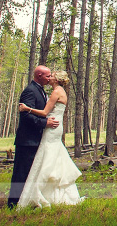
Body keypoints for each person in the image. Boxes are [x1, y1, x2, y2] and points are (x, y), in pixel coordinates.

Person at [16, 70, 83, 208]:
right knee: (53, 156)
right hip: (54, 128)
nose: (50, 78)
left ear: (57, 80)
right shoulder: (59, 91)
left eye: (51, 76)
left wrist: (27, 108)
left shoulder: (56, 91)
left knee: (48, 156)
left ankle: (42, 192)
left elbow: (45, 112)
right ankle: (53, 193)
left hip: (52, 128)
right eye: (49, 75)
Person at [7, 65, 60, 209]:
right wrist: (45, 123)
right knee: (21, 173)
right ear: (39, 76)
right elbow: (25, 116)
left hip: (36, 139)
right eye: (47, 76)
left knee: (31, 173)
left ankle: (26, 201)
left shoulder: (40, 90)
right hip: (27, 140)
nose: (49, 79)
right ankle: (13, 203)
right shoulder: (30, 91)